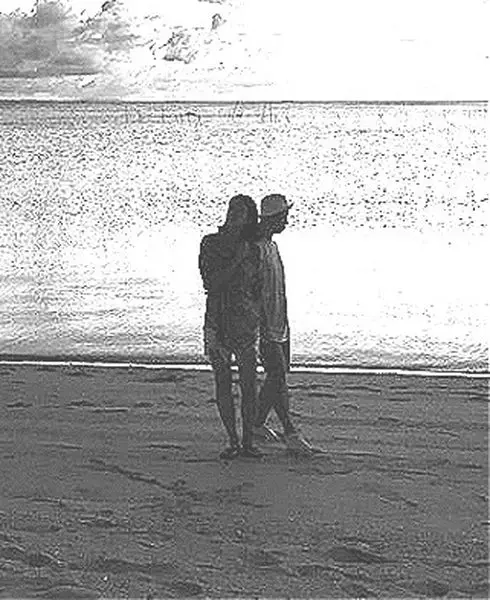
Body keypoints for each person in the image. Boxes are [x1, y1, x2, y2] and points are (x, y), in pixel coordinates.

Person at [198, 195, 263, 459]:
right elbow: (211, 283)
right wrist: (236, 260)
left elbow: (257, 288)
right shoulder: (211, 243)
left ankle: (248, 441)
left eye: (241, 211)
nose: (235, 214)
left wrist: (259, 317)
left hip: (245, 324)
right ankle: (233, 441)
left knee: (249, 385)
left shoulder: (253, 249)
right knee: (222, 383)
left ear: (249, 218)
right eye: (232, 209)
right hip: (217, 321)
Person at [252, 194, 314, 455]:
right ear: (272, 218)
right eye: (283, 217)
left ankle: (256, 424)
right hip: (265, 325)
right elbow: (254, 291)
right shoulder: (256, 248)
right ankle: (290, 432)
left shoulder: (271, 245)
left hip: (279, 321)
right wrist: (262, 325)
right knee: (277, 374)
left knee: (277, 375)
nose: (287, 222)